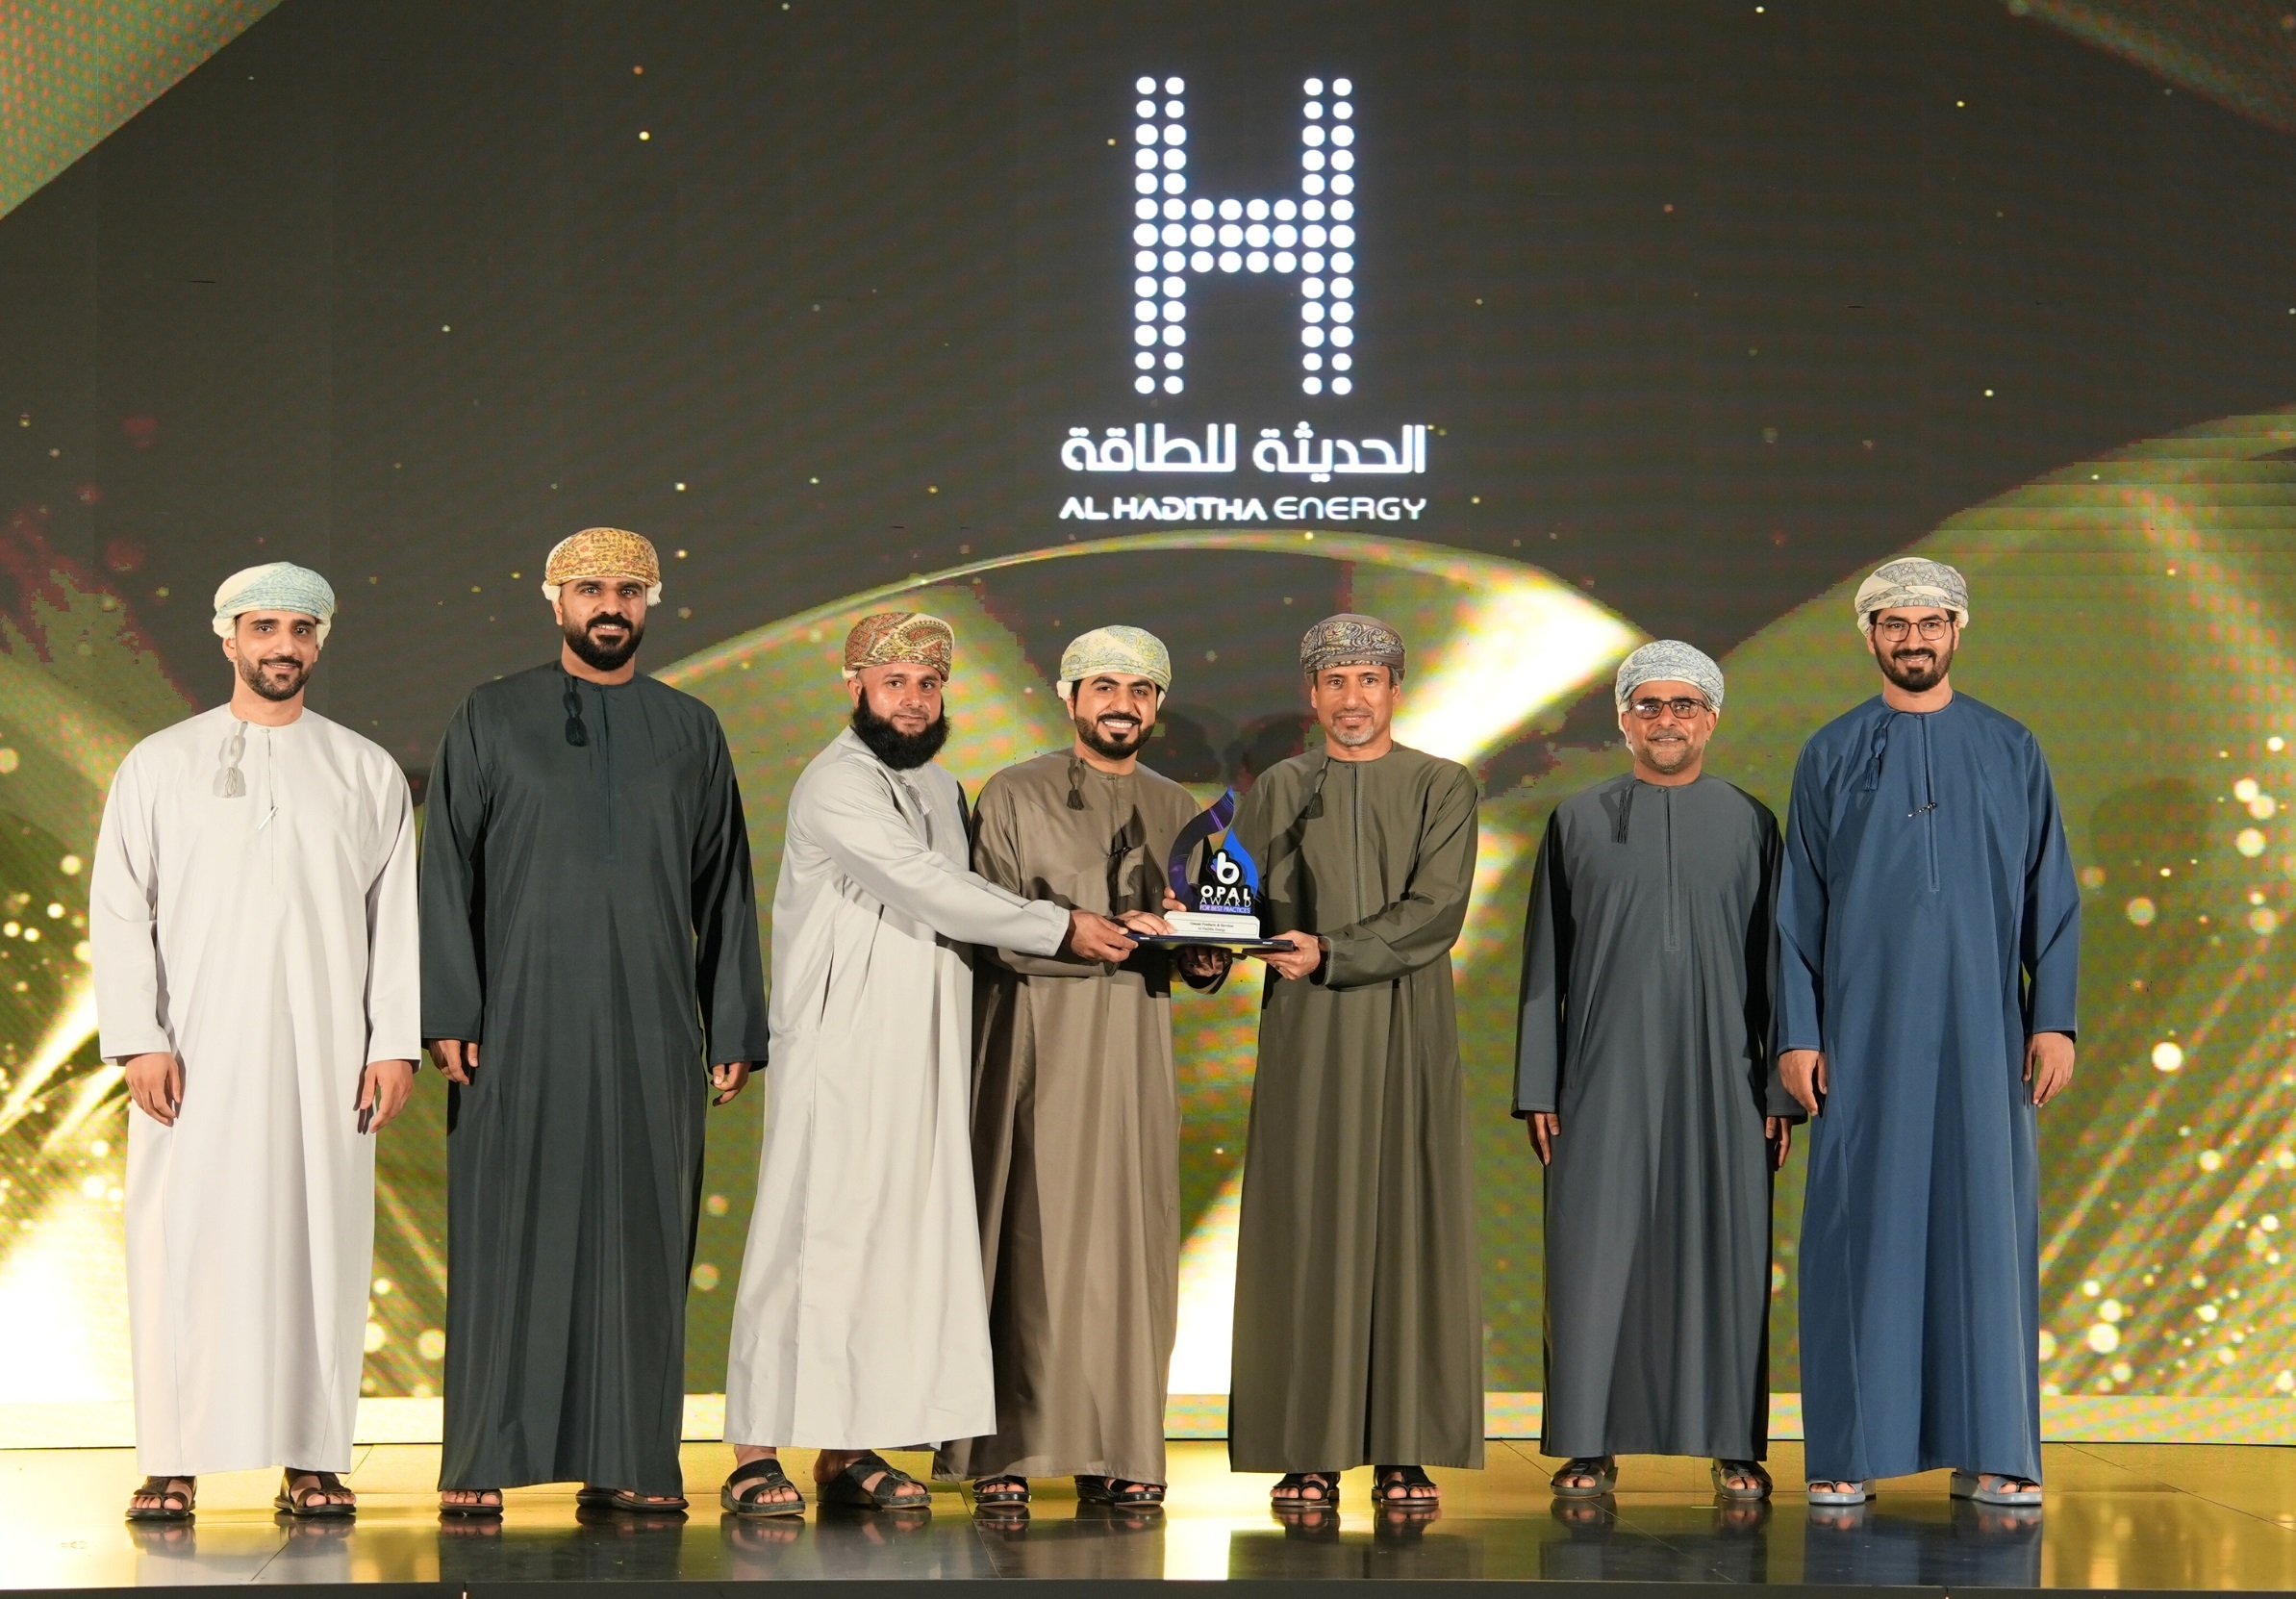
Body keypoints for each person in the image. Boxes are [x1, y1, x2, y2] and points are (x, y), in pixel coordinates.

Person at [719, 612, 1138, 1518]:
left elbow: (978, 896)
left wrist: (1125, 921)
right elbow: (930, 887)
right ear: (854, 687)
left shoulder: (941, 787)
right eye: (894, 682)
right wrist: (1062, 925)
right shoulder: (836, 783)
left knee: (892, 1246)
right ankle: (754, 1450)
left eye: (928, 684)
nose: (912, 700)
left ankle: (847, 1448)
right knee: (809, 1240)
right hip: (841, 1048)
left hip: (927, 1046)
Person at [421, 526, 768, 1516]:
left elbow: (724, 883)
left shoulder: (689, 728)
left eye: (626, 589)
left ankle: (630, 1461)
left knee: (640, 1238)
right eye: (588, 589)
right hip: (516, 1020)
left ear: (650, 602)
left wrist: (730, 1022)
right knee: (506, 1229)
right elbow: (444, 868)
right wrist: (448, 1006)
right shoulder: (490, 715)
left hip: (652, 1023)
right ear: (555, 600)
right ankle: (481, 1459)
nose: (608, 606)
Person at [93, 563, 418, 1525]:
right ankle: (172, 1459)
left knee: (321, 1248)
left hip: (329, 1055)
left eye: (301, 629)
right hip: (194, 1053)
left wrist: (392, 1042)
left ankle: (314, 1459)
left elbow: (396, 918)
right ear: (227, 636)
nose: (284, 645)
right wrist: (139, 1038)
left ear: (320, 642)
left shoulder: (363, 770)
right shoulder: (159, 764)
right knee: (183, 1245)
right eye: (264, 626)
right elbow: (121, 908)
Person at [1778, 558, 2078, 1510]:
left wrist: (2052, 1018)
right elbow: (1795, 907)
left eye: (1929, 622)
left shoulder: (2010, 747)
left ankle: (1995, 1450)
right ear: (1868, 635)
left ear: (1956, 630)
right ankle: (1846, 1451)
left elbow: (2050, 893)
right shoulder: (1829, 752)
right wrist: (1797, 1032)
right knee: (1858, 1231)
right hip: (1860, 1036)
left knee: (1984, 1234)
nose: (1913, 639)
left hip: (1984, 1033)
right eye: (1894, 623)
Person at [935, 626, 1231, 1513]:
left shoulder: (1179, 806)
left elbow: (1203, 934)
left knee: (1129, 1247)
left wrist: (1204, 953)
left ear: (1156, 705)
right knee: (1029, 1239)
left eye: (1139, 691)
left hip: (1134, 1048)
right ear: (1068, 698)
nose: (1121, 705)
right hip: (1036, 1045)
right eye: (1103, 687)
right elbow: (983, 918)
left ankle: (1121, 1446)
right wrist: (1077, 934)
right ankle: (1006, 1450)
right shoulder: (1013, 791)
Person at [1514, 640, 1797, 1503]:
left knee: (1725, 1254)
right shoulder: (1576, 819)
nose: (1665, 720)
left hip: (1725, 1074)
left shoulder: (1751, 822)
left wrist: (1778, 1090)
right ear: (1623, 718)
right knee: (1592, 1256)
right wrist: (1537, 1085)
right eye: (1648, 705)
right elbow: (1544, 966)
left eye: (1683, 705)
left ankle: (1730, 1441)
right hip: (1600, 1072)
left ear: (1710, 718)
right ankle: (1586, 1442)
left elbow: (1776, 962)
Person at [1225, 614, 1482, 1514]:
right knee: (1308, 1226)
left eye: (1368, 680)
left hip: (1407, 1026)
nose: (1351, 698)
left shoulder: (1441, 784)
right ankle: (1309, 1447)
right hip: (1307, 1033)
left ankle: (1403, 1448)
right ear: (1312, 693)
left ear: (1394, 689)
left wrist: (1332, 949)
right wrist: (1199, 936)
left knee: (1406, 1227)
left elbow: (1436, 908)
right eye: (1334, 681)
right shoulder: (1280, 787)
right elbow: (1237, 897)